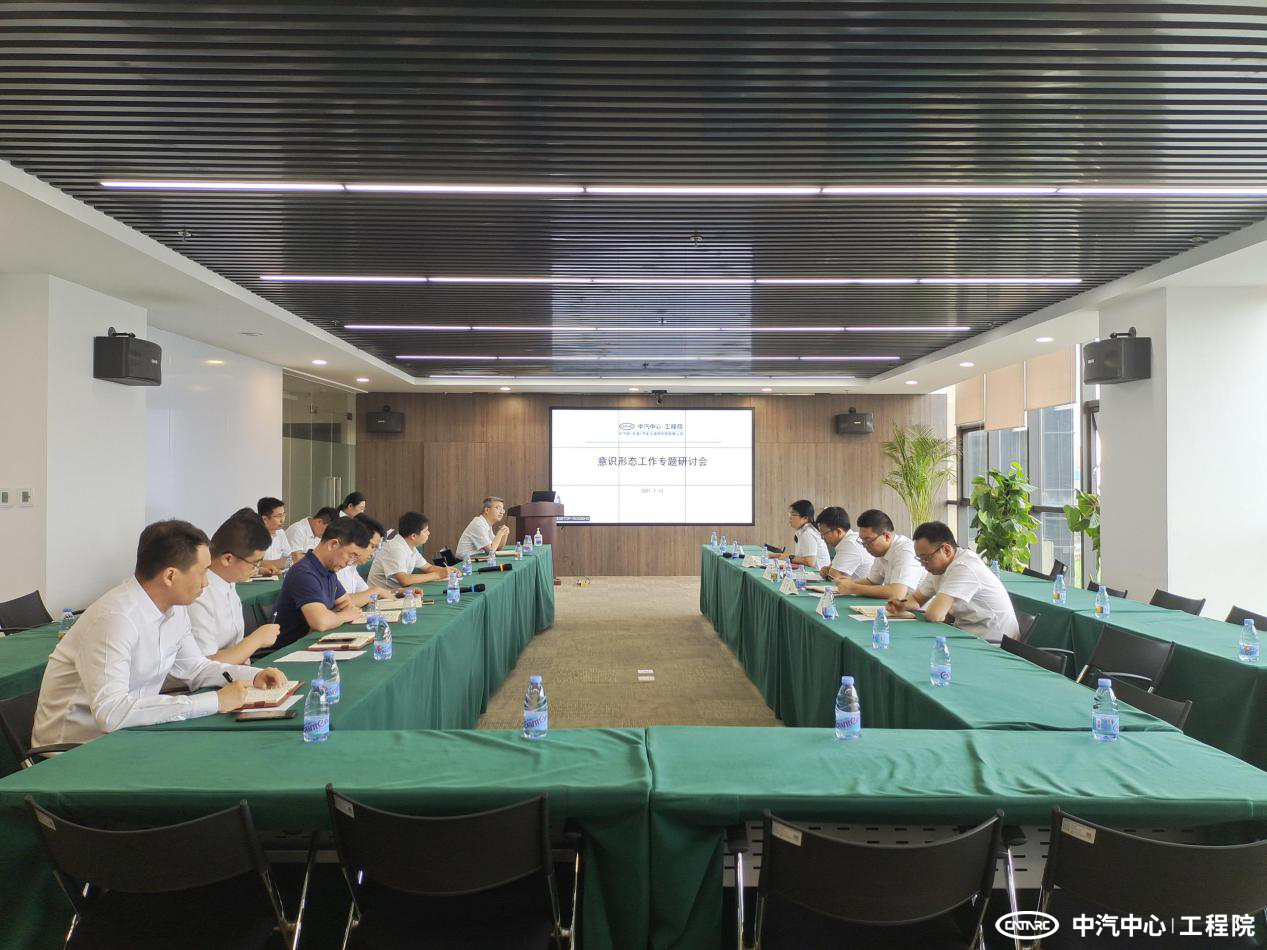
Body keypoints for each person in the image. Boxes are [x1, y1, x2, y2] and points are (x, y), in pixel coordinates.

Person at [31, 520, 288, 747]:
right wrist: (215, 701)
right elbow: (111, 713)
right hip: (75, 750)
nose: (206, 582)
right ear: (170, 576)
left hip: (132, 735)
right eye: (201, 573)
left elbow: (195, 668)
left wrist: (253, 676)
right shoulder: (115, 619)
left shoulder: (175, 610)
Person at [888, 521, 1019, 644]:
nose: (923, 564)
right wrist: (901, 604)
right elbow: (917, 599)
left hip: (994, 642)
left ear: (946, 550)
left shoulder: (965, 567)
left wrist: (932, 609)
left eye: (925, 558)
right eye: (919, 559)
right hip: (968, 634)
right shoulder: (938, 568)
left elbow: (935, 615)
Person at [188, 510, 282, 665]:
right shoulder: (199, 595)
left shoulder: (228, 582)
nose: (257, 569)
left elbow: (237, 647)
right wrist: (256, 640)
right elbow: (206, 665)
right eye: (255, 563)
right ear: (227, 559)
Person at [272, 516, 371, 648]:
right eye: (351, 555)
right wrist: (343, 616)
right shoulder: (304, 572)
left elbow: (347, 604)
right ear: (333, 544)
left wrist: (333, 615)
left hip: (313, 643)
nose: (350, 562)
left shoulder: (329, 570)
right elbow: (321, 622)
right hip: (287, 650)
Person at [832, 508, 925, 601]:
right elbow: (872, 582)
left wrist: (853, 588)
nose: (865, 546)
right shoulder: (880, 551)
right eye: (862, 541)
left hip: (918, 608)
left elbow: (897, 593)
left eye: (868, 541)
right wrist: (848, 582)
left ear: (887, 536)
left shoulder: (905, 551)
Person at [369, 511, 456, 589]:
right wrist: (438, 575)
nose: (429, 533)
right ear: (413, 536)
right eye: (425, 531)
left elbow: (428, 567)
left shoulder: (410, 545)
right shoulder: (395, 548)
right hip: (379, 598)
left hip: (397, 593)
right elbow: (404, 580)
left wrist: (448, 571)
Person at [332, 513, 397, 607]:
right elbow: (341, 602)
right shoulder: (337, 565)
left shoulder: (352, 566)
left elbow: (366, 592)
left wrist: (399, 591)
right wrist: (377, 591)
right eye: (372, 546)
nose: (373, 553)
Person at [815, 506, 874, 582]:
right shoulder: (848, 540)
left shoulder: (850, 543)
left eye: (824, 533)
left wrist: (829, 572)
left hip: (864, 589)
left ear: (838, 532)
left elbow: (833, 576)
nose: (822, 537)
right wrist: (827, 571)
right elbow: (830, 571)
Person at [769, 500, 829, 568]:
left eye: (793, 514)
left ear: (805, 518)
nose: (790, 517)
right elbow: (803, 557)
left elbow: (810, 562)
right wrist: (782, 555)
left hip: (817, 572)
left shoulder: (808, 533)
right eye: (790, 514)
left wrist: (789, 557)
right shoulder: (804, 530)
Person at [257, 496, 300, 575]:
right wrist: (282, 562)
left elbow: (289, 558)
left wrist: (292, 559)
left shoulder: (281, 533)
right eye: (278, 516)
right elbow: (252, 563)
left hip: (277, 576)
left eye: (284, 515)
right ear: (265, 519)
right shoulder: (253, 534)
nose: (282, 519)